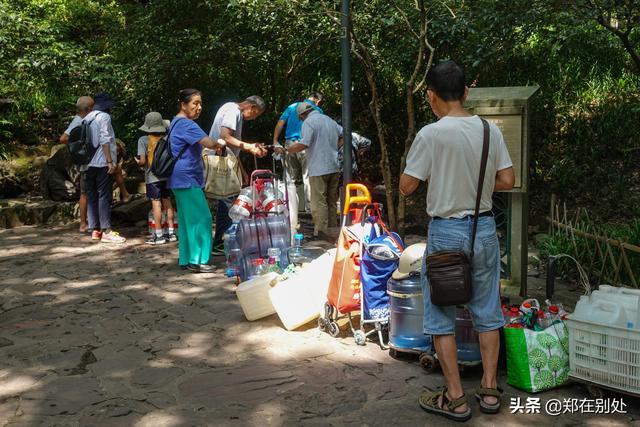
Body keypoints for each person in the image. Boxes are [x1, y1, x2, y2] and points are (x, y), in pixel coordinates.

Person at [399, 60, 515, 422]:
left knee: (439, 315)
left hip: (446, 233)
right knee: (487, 312)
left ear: (432, 97)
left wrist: (440, 178)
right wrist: (475, 186)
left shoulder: (430, 134)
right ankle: (491, 390)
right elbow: (508, 180)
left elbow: (406, 186)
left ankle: (456, 398)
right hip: (483, 230)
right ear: (466, 93)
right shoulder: (488, 130)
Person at [169, 89, 225, 273]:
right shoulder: (187, 124)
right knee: (203, 218)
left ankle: (187, 258)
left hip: (178, 178)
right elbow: (209, 143)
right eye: (195, 103)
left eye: (200, 103)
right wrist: (220, 143)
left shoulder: (175, 122)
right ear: (183, 105)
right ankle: (198, 259)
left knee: (187, 220)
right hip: (188, 178)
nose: (199, 107)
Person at [208, 96, 268, 255]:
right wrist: (250, 147)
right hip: (219, 162)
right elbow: (225, 137)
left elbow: (233, 149)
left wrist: (242, 171)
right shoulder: (233, 111)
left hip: (228, 161)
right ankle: (221, 241)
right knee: (229, 201)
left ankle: (222, 240)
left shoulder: (233, 111)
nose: (253, 118)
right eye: (256, 114)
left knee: (229, 198)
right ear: (252, 107)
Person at [280, 102, 343, 238]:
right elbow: (344, 135)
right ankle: (332, 232)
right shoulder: (329, 120)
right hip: (334, 166)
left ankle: (321, 233)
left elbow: (304, 144)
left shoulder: (309, 123)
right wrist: (334, 148)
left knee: (319, 202)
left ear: (302, 115)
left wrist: (287, 149)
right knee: (331, 202)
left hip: (318, 168)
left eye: (300, 118)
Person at [83, 92, 127, 243]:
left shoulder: (87, 118)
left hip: (88, 164)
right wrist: (110, 161)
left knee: (92, 195)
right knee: (104, 195)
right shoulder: (104, 117)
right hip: (102, 162)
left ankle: (95, 230)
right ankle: (107, 231)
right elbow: (105, 139)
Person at [272, 92, 323, 213]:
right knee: (308, 177)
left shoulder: (292, 106)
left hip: (290, 144)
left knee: (290, 179)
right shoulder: (317, 110)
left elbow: (280, 123)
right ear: (317, 101)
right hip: (306, 145)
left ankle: (289, 208)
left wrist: (275, 141)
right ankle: (310, 210)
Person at [136, 112, 177, 245]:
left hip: (152, 177)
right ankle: (171, 233)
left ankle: (158, 235)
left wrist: (137, 161)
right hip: (167, 176)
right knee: (168, 202)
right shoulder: (167, 138)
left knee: (156, 204)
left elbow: (142, 161)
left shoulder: (143, 140)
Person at [59, 96, 93, 233]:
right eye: (92, 107)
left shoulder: (85, 120)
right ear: (87, 109)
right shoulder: (79, 121)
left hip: (89, 162)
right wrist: (80, 145)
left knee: (88, 192)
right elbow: (63, 138)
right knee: (85, 193)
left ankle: (90, 221)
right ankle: (83, 223)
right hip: (85, 162)